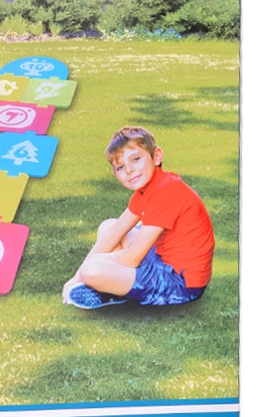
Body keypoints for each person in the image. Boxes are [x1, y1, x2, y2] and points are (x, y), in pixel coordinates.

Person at [62, 126, 214, 309]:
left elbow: (133, 258)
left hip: (181, 284)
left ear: (156, 156)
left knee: (91, 270)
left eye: (135, 159)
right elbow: (115, 232)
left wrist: (89, 268)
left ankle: (111, 288)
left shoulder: (166, 191)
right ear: (116, 174)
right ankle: (113, 286)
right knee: (108, 226)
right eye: (120, 167)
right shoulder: (148, 189)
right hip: (162, 260)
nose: (129, 170)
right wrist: (76, 277)